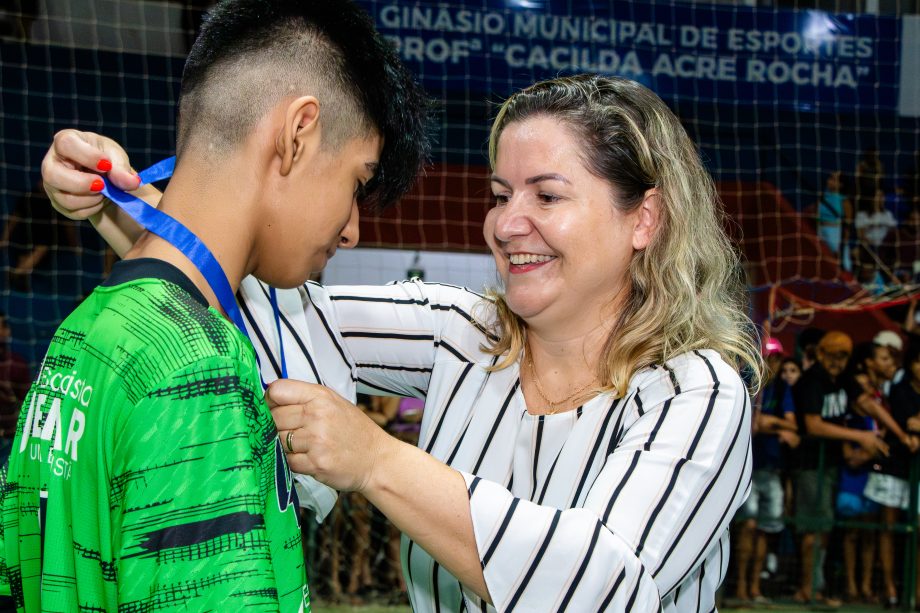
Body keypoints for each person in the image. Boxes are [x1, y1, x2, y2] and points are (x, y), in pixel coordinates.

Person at [42, 75, 759, 611]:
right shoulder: (463, 333)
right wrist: (125, 203)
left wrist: (379, 460)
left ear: (645, 219)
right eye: (500, 193)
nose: (508, 223)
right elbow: (269, 314)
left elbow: (606, 588)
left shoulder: (697, 390)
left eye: (546, 195)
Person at [3, 0, 429, 610]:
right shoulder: (198, 365)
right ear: (296, 134)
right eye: (356, 183)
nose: (352, 228)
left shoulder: (83, 331)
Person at [791, 330, 888, 606]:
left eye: (843, 355)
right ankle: (808, 589)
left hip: (831, 465)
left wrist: (899, 434)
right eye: (832, 354)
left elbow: (867, 404)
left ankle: (815, 587)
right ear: (820, 353)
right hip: (810, 465)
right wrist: (860, 437)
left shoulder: (841, 379)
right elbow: (813, 425)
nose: (837, 361)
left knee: (823, 527)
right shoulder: (811, 381)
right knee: (813, 527)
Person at [733, 341, 798, 605]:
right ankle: (739, 588)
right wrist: (776, 427)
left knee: (764, 529)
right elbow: (755, 425)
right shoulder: (747, 384)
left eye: (777, 359)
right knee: (747, 528)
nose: (773, 364)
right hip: (749, 469)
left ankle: (754, 587)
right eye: (770, 358)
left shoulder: (781, 388)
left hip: (769, 468)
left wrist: (772, 424)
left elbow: (790, 424)